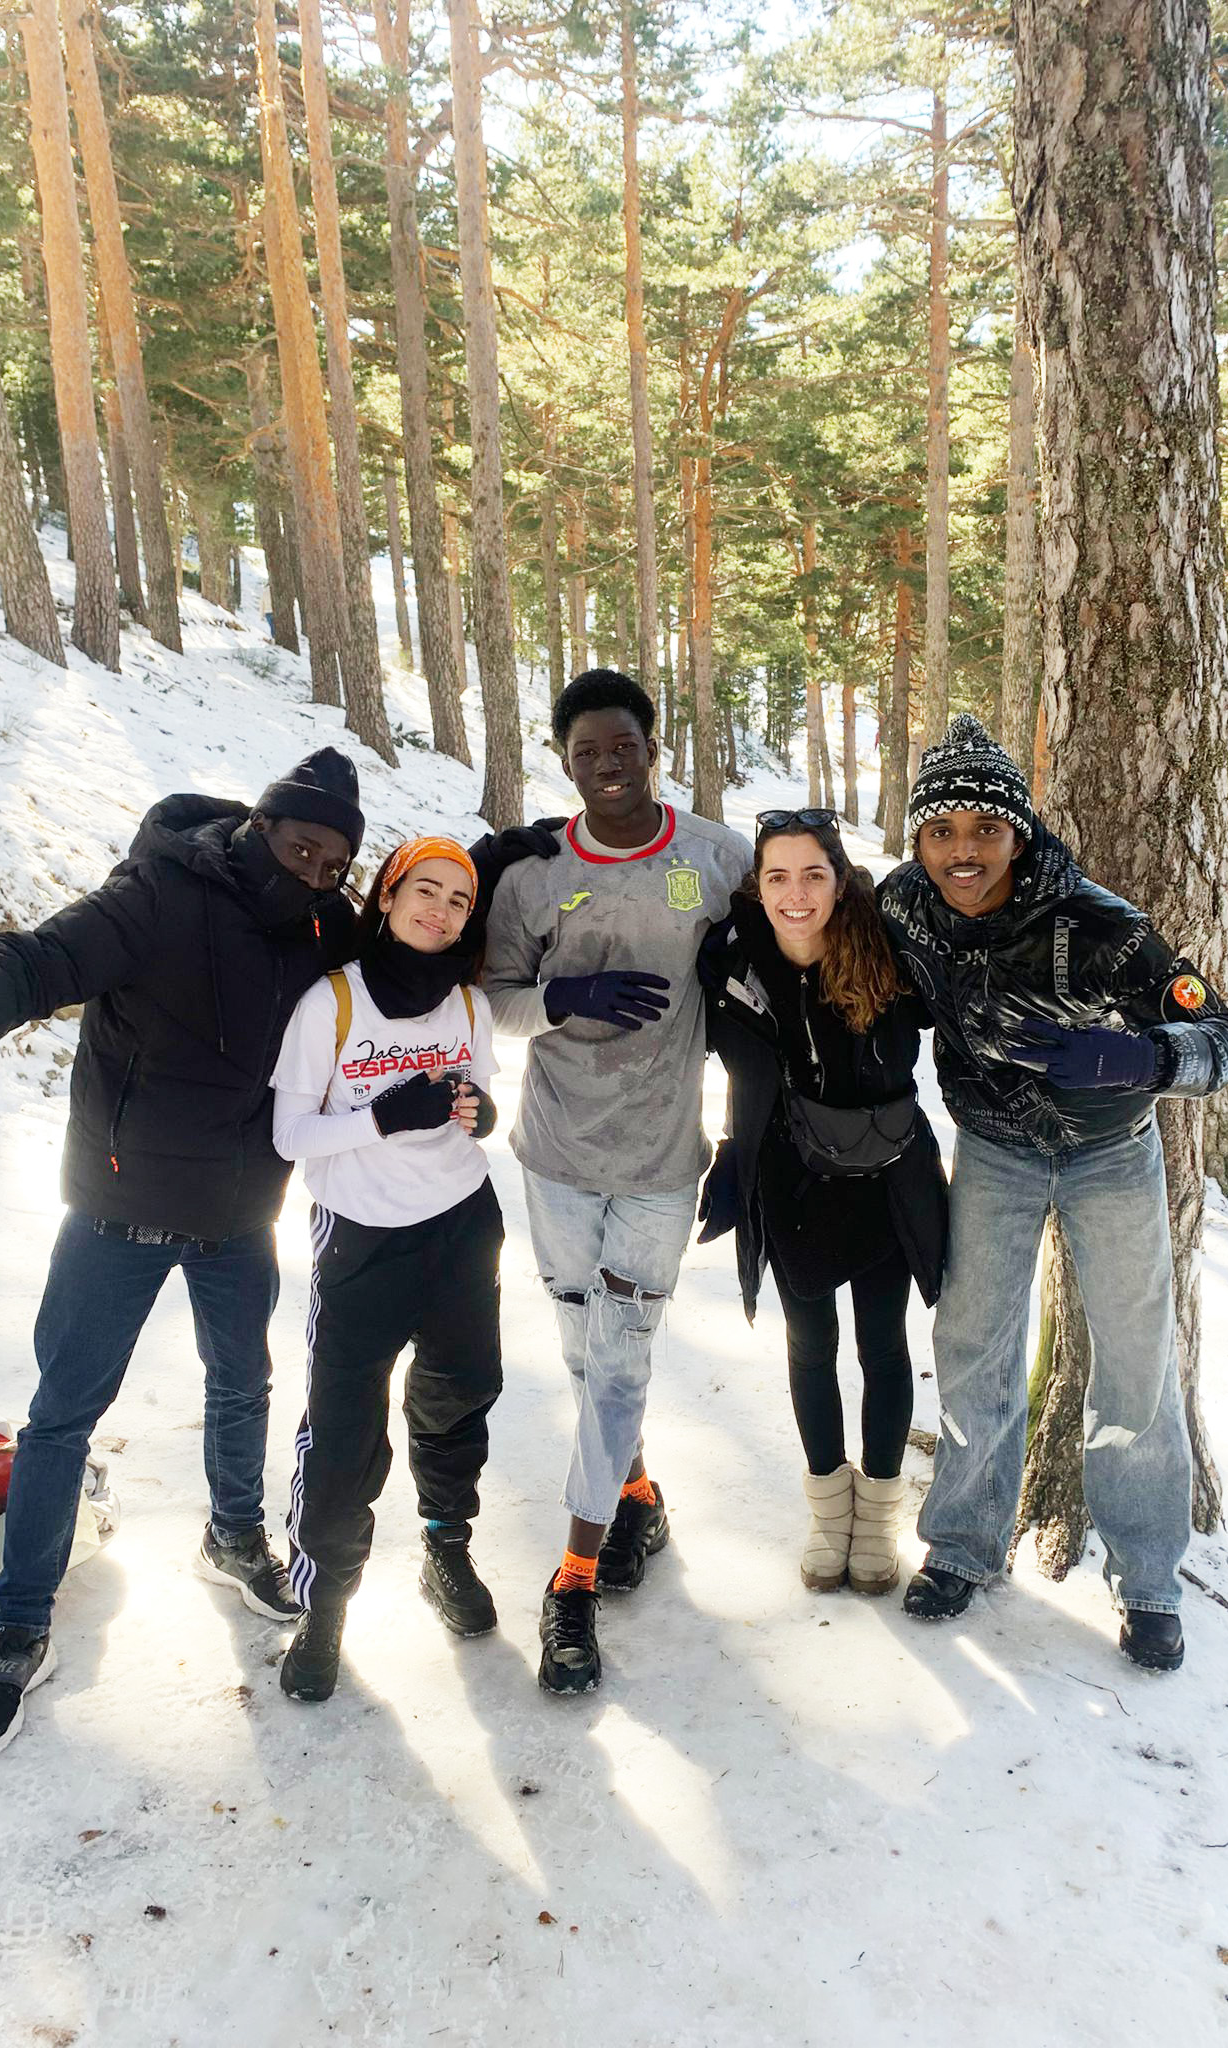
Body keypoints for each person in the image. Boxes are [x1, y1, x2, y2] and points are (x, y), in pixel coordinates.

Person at [0, 749, 365, 1751]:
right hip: (115, 1211)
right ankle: (21, 1621)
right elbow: (24, 960)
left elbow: (422, 958)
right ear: (261, 828)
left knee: (243, 1382)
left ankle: (233, 1535)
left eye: (333, 862)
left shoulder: (326, 928)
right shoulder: (159, 894)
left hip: (238, 1215)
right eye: (300, 846)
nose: (313, 871)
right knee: (62, 1415)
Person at [877, 714, 1228, 1673]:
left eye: (986, 830)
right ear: (917, 837)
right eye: (943, 831)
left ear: (1019, 832)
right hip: (993, 1152)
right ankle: (962, 1545)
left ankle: (1150, 1578)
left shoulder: (1103, 924)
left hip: (1111, 1156)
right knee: (971, 1348)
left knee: (1133, 1362)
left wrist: (1142, 1055)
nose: (964, 852)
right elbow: (831, 970)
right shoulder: (904, 910)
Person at [482, 669, 752, 1695]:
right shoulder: (534, 873)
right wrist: (562, 996)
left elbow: (791, 926)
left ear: (654, 746)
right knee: (580, 1345)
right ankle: (635, 1491)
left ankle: (576, 1575)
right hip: (554, 1151)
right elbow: (496, 1000)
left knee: (623, 1356)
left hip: (657, 1158)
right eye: (587, 750)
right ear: (565, 760)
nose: (608, 765)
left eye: (624, 746)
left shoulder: (713, 854)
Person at [268, 836, 503, 1703]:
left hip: (462, 1227)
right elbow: (290, 1135)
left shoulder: (468, 1007)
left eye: (457, 900)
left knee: (460, 1392)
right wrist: (381, 1118)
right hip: (362, 1239)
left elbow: (477, 1096)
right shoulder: (332, 1004)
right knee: (343, 1426)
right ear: (389, 895)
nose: (439, 910)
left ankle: (445, 1550)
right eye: (425, 891)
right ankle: (324, 1603)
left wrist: (477, 1114)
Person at [697, 810, 947, 1595]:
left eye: (813, 875)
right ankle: (826, 1515)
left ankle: (875, 1521)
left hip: (883, 1176)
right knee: (809, 1345)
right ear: (757, 885)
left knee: (881, 1345)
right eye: (778, 876)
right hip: (788, 1176)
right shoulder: (730, 959)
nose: (795, 893)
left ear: (840, 883)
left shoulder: (890, 954)